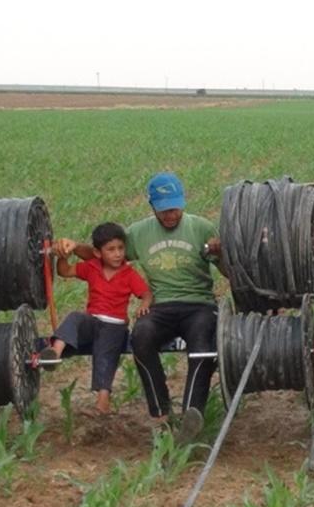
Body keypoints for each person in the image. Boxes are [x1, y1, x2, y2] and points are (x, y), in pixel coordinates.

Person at [70, 172, 223, 441]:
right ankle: (161, 413)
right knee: (141, 336)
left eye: (174, 208)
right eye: (163, 210)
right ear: (152, 206)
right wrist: (72, 248)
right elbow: (104, 252)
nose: (170, 215)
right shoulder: (139, 233)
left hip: (199, 304)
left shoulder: (202, 228)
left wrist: (221, 251)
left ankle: (191, 414)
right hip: (161, 306)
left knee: (203, 344)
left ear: (183, 202)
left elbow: (227, 268)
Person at [40, 222, 151, 414]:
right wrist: (63, 257)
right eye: (111, 250)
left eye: (120, 248)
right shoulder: (92, 267)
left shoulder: (129, 274)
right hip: (93, 322)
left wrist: (144, 305)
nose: (117, 254)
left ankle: (103, 400)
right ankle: (55, 352)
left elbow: (146, 293)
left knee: (105, 354)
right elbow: (65, 271)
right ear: (98, 253)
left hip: (115, 326)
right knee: (75, 318)